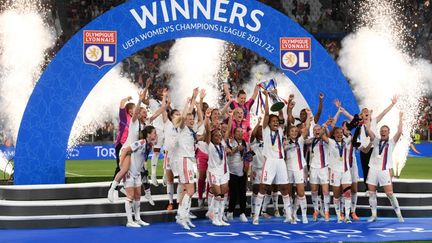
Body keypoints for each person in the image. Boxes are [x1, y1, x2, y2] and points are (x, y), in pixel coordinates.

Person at [107, 89, 166, 202]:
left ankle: (138, 194)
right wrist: (140, 100)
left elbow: (160, 111)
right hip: (128, 149)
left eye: (144, 112)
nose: (145, 114)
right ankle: (112, 189)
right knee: (124, 169)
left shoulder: (147, 122)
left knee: (140, 173)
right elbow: (135, 113)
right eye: (141, 112)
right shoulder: (134, 122)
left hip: (138, 152)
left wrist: (164, 99)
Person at [336, 96, 398, 189]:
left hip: (373, 148)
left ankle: (376, 185)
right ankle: (367, 187)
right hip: (362, 147)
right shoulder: (359, 123)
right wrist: (341, 109)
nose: (365, 112)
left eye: (367, 111)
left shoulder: (374, 121)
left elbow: (384, 113)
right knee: (365, 167)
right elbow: (348, 115)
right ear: (361, 114)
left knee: (373, 167)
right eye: (364, 111)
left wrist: (392, 104)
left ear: (369, 114)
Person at [252, 90, 293, 225]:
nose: (275, 122)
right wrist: (266, 98)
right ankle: (256, 217)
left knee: (285, 189)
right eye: (273, 121)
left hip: (280, 162)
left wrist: (275, 96)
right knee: (263, 188)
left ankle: (288, 216)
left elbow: (281, 112)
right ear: (268, 123)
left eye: (277, 121)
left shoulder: (280, 129)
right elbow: (267, 113)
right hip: (269, 161)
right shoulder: (265, 129)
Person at [365, 112, 404, 222]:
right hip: (373, 169)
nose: (383, 132)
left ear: (388, 133)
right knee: (372, 193)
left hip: (384, 171)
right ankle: (374, 215)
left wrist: (400, 118)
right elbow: (368, 130)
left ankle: (399, 215)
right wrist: (368, 119)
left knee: (390, 194)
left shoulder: (392, 142)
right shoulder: (376, 140)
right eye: (382, 131)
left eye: (385, 131)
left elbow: (400, 131)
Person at [174, 88, 204, 230]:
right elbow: (185, 114)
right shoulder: (182, 128)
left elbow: (201, 119)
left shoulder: (192, 130)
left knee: (189, 191)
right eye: (189, 119)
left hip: (190, 161)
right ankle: (181, 216)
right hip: (185, 160)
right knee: (190, 190)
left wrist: (199, 104)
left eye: (193, 119)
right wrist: (192, 99)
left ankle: (184, 216)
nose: (192, 120)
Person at [121, 126, 157, 227]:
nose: (155, 134)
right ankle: (129, 221)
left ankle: (137, 219)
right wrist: (122, 167)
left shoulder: (149, 145)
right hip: (129, 173)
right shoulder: (141, 142)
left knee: (138, 196)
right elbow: (126, 150)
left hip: (137, 174)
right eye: (154, 133)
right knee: (130, 196)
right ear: (148, 134)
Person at [321, 125, 353, 223]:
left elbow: (351, 135)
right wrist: (324, 126)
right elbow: (322, 135)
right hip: (335, 172)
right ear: (334, 135)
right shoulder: (331, 142)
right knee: (336, 195)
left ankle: (347, 216)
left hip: (346, 171)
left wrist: (349, 132)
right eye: (337, 133)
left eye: (341, 132)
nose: (339, 134)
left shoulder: (346, 141)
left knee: (347, 194)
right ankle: (339, 216)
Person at [204, 108, 230, 226]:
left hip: (224, 172)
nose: (219, 136)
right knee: (217, 194)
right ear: (212, 137)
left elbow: (228, 130)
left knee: (223, 195)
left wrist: (231, 118)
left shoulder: (222, 143)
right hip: (213, 172)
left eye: (220, 135)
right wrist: (207, 117)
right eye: (216, 135)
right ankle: (214, 217)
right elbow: (208, 131)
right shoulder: (210, 145)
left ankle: (220, 218)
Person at [285, 109, 311, 224]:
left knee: (301, 192)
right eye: (292, 131)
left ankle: (303, 215)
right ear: (289, 133)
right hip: (288, 169)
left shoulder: (300, 140)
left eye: (296, 131)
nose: (294, 132)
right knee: (289, 193)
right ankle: (290, 215)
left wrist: (309, 115)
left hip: (299, 168)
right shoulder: (285, 142)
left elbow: (307, 127)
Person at [226, 118, 250, 222]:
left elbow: (248, 156)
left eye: (242, 132)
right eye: (238, 132)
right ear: (234, 133)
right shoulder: (230, 141)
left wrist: (248, 163)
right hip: (232, 171)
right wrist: (237, 149)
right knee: (234, 193)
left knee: (242, 194)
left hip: (242, 171)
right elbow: (229, 153)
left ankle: (242, 213)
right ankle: (230, 212)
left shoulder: (246, 143)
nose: (240, 133)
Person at [112, 96, 135, 193]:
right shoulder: (124, 116)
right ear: (129, 110)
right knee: (120, 166)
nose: (136, 110)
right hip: (121, 144)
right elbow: (121, 103)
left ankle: (123, 187)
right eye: (134, 108)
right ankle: (114, 189)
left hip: (128, 146)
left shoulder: (134, 119)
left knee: (128, 167)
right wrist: (127, 98)